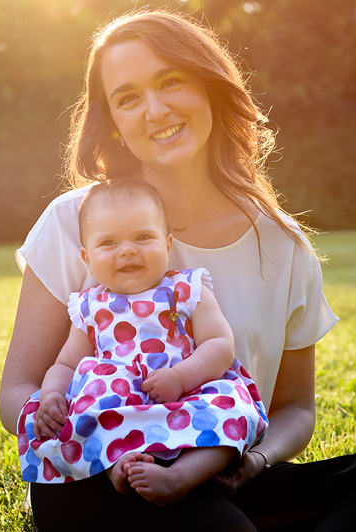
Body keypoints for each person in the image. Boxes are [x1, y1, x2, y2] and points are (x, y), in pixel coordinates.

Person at [0, 8, 356, 532]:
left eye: (170, 81)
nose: (155, 109)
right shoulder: (75, 224)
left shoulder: (282, 246)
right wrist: (88, 436)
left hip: (218, 463)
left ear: (208, 86)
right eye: (128, 97)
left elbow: (295, 407)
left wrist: (253, 461)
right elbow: (17, 388)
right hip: (106, 470)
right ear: (112, 121)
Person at [18, 178, 268, 507]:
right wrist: (51, 395)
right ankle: (117, 467)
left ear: (167, 244)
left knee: (230, 408)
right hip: (119, 400)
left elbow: (220, 343)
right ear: (87, 258)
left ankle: (182, 476)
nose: (127, 250)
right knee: (87, 411)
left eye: (143, 237)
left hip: (187, 392)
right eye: (108, 243)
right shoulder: (89, 306)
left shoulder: (186, 289)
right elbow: (66, 363)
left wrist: (181, 377)